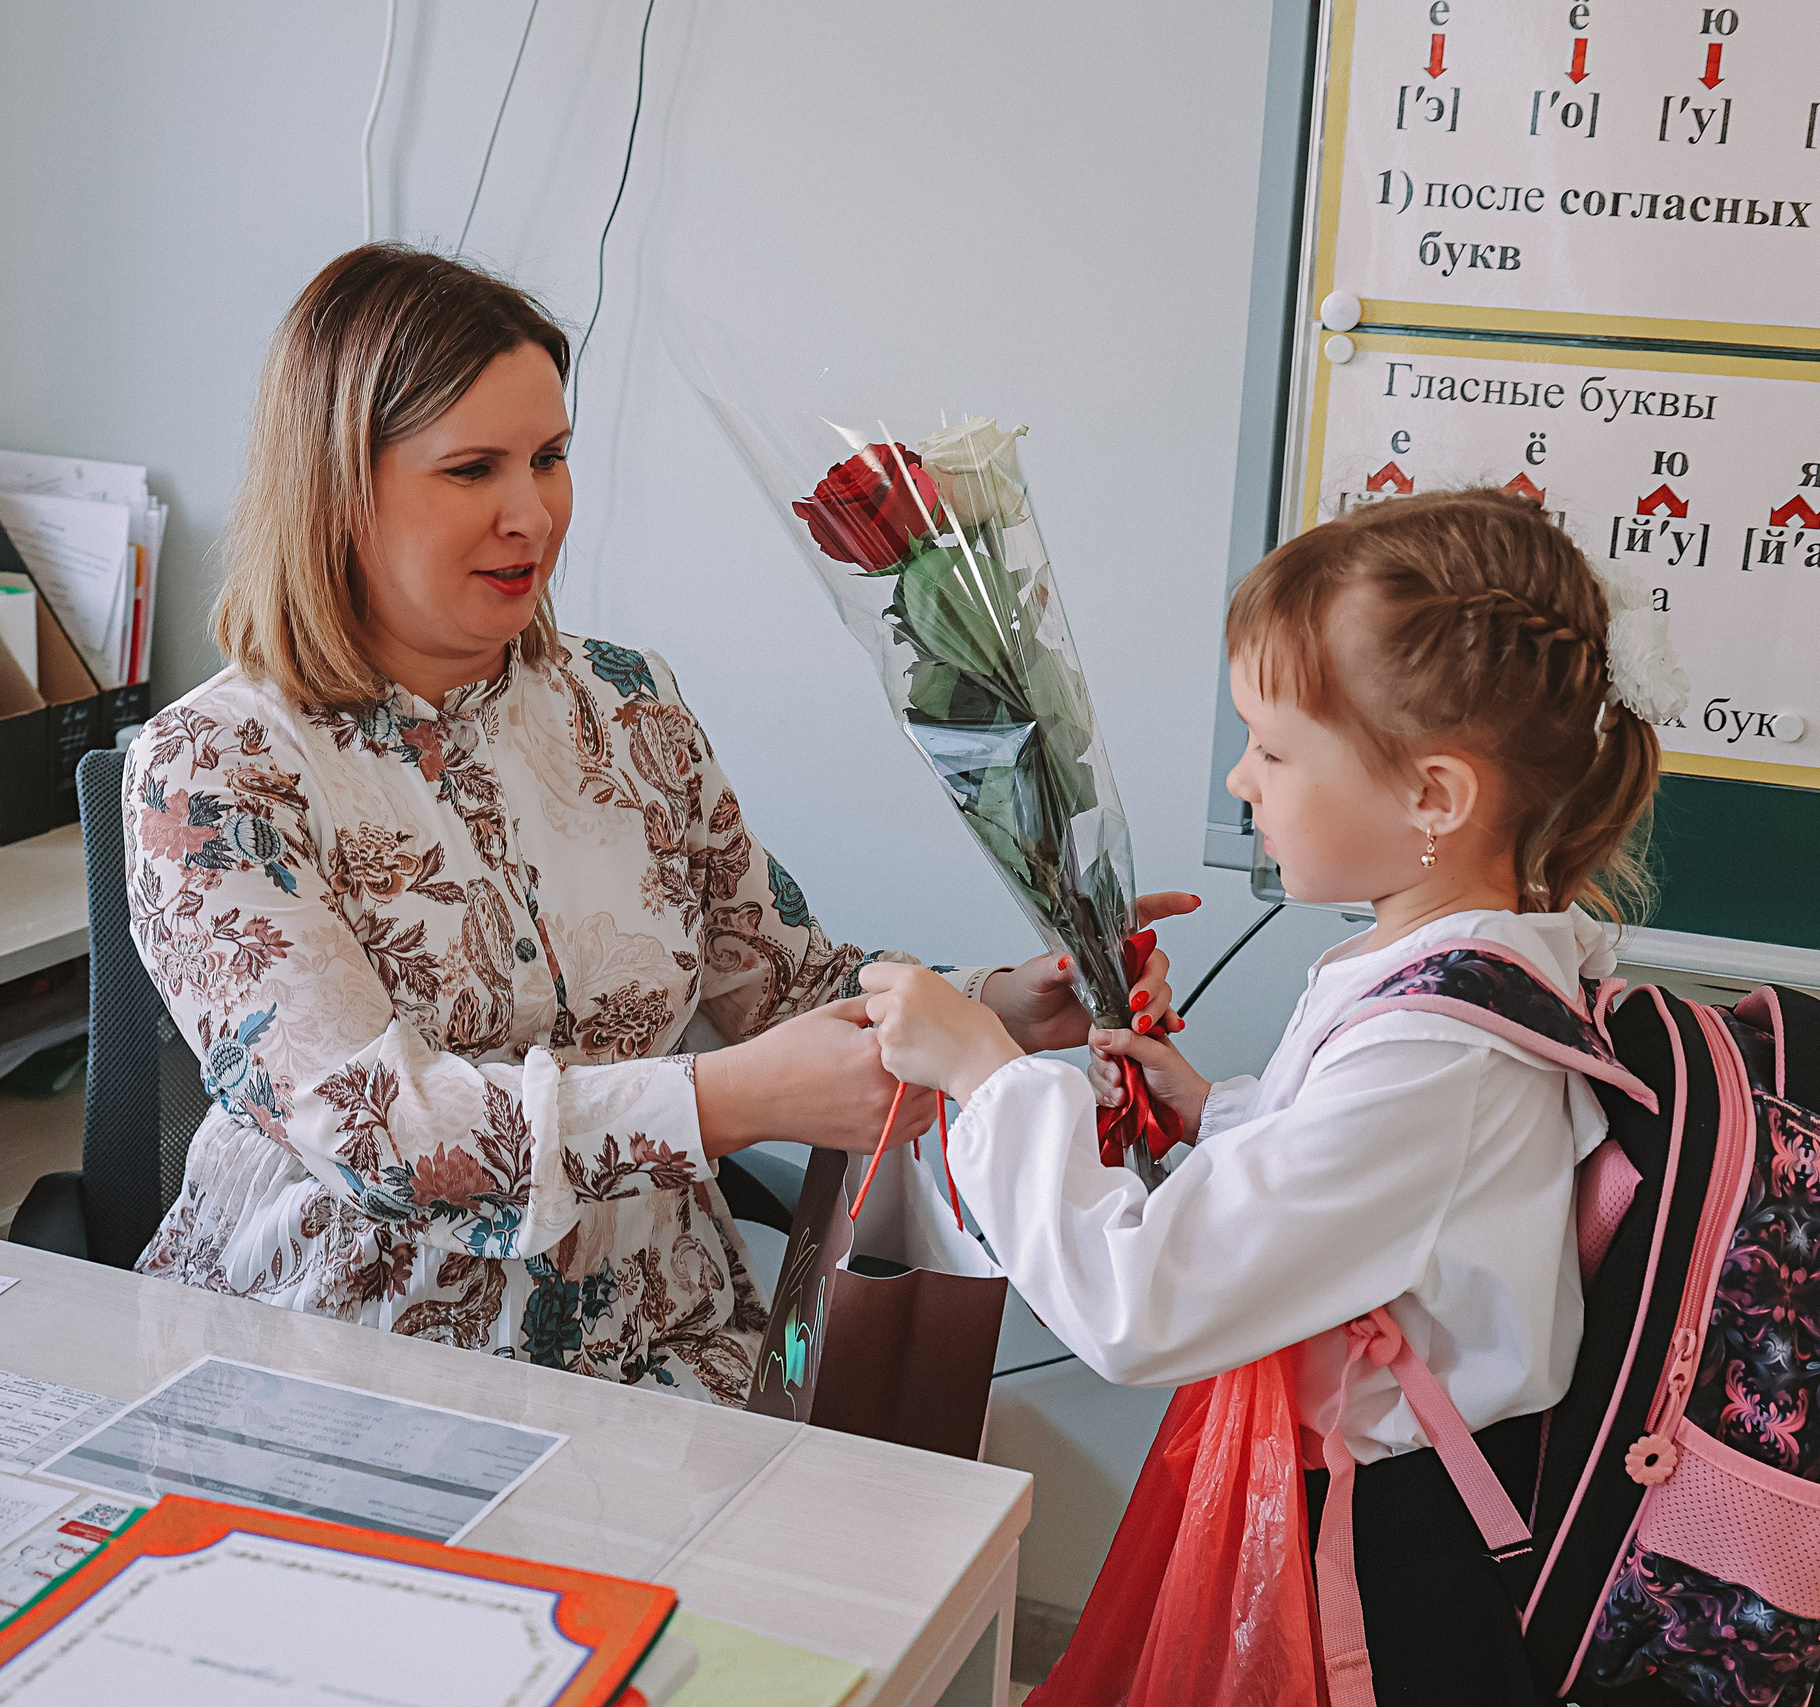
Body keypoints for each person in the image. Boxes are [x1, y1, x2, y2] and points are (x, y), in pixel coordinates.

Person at [126, 243, 1185, 1401]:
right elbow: (379, 1134)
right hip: (346, 1352)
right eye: (473, 468)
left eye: (552, 456)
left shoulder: (627, 703)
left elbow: (777, 980)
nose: (532, 512)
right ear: (337, 487)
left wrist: (994, 1003)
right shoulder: (213, 769)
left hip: (661, 1344)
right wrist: (728, 1102)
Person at [860, 488, 1674, 1703]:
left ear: (1433, 799)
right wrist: (1219, 1113)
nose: (1240, 779)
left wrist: (983, 1074)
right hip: (1401, 1514)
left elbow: (1142, 1304)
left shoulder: (1435, 1050)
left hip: (1400, 1573)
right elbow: (1383, 1213)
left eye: (1276, 749)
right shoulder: (1459, 972)